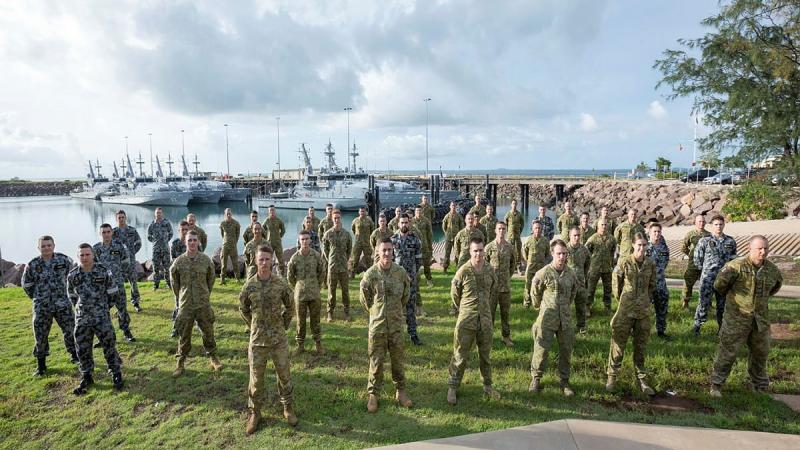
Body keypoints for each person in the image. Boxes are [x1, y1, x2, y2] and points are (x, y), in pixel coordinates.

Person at [709, 236, 782, 398]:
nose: (763, 252)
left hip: (760, 320)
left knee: (760, 353)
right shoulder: (736, 267)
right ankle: (716, 384)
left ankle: (760, 386)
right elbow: (719, 286)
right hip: (736, 319)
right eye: (759, 249)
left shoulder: (772, 270)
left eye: (766, 249)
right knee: (728, 352)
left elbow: (775, 287)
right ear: (750, 249)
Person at [240, 245, 298, 433]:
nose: (264, 262)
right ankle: (255, 413)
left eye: (267, 259)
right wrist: (253, 326)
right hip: (257, 341)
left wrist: (283, 325)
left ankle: (287, 408)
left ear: (272, 260)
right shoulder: (249, 286)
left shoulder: (281, 284)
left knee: (284, 376)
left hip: (278, 340)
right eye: (261, 259)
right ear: (256, 261)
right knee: (256, 380)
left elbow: (290, 307)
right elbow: (243, 308)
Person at [360, 238, 414, 413]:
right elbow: (365, 300)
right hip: (378, 326)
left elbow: (405, 296)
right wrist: (376, 312)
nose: (387, 253)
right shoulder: (370, 274)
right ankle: (373, 394)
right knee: (376, 361)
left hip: (396, 325)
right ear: (378, 252)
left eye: (390, 250)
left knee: (397, 360)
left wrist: (394, 311)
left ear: (393, 251)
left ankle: (401, 391)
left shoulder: (400, 273)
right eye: (384, 250)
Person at [447, 238, 500, 406]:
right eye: (475, 251)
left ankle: (487, 385)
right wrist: (465, 308)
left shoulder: (490, 270)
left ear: (485, 251)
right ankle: (453, 387)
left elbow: (493, 290)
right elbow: (455, 295)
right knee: (460, 355)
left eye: (481, 250)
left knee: (485, 356)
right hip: (466, 319)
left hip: (485, 320)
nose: (478, 254)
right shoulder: (463, 271)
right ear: (470, 252)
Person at [68, 243, 124, 395]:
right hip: (82, 318)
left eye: (87, 254)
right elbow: (72, 296)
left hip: (101, 317)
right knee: (82, 348)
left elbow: (113, 293)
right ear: (78, 256)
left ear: (93, 255)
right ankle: (86, 376)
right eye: (82, 255)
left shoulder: (104, 271)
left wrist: (103, 308)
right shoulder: (73, 275)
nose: (85, 257)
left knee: (108, 345)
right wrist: (82, 309)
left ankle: (116, 373)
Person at [606, 234, 656, 396]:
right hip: (625, 310)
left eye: (644, 245)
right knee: (618, 345)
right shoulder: (624, 262)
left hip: (643, 312)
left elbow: (652, 285)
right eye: (639, 245)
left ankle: (641, 379)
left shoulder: (650, 264)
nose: (641, 248)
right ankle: (612, 377)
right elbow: (616, 283)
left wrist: (644, 299)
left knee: (640, 347)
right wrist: (623, 299)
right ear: (633, 245)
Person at [22, 235, 78, 376]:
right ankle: (41, 366)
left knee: (70, 330)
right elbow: (27, 284)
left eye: (49, 245)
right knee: (40, 335)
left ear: (53, 245)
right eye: (43, 246)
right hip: (42, 306)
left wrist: (70, 295)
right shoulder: (33, 264)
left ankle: (75, 356)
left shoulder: (64, 260)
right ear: (38, 247)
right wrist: (37, 297)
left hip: (62, 304)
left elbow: (74, 277)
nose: (46, 248)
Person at [529, 239, 578, 396]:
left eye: (564, 254)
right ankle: (536, 378)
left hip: (565, 320)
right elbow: (535, 293)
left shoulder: (571, 274)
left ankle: (564, 381)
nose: (562, 257)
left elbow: (573, 293)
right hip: (548, 318)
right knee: (541, 349)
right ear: (552, 254)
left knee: (566, 351)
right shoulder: (543, 273)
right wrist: (540, 307)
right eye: (559, 254)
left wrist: (564, 307)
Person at [170, 231, 222, 377]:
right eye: (189, 240)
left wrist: (204, 293)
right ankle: (180, 362)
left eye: (194, 240)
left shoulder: (206, 261)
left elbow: (211, 280)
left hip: (202, 303)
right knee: (184, 334)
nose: (192, 243)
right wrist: (181, 296)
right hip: (186, 304)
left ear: (198, 242)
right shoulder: (178, 262)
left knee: (208, 331)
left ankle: (213, 356)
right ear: (185, 242)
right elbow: (175, 283)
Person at [693, 215, 737, 335]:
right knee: (703, 303)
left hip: (723, 279)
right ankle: (697, 327)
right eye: (716, 224)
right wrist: (705, 271)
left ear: (724, 225)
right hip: (708, 278)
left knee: (722, 305)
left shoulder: (730, 241)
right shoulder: (705, 241)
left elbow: (733, 259)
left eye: (721, 224)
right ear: (712, 226)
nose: (718, 226)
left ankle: (721, 329)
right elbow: (697, 259)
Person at [94, 224, 136, 341]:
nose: (106, 234)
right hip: (102, 286)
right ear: (100, 233)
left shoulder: (119, 246)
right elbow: (93, 267)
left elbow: (126, 261)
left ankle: (126, 332)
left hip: (117, 284)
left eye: (108, 232)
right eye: (104, 232)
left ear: (112, 232)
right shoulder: (95, 249)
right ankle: (105, 336)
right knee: (102, 311)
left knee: (122, 308)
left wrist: (120, 275)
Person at [287, 230, 327, 355]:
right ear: (299, 241)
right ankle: (300, 345)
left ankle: (318, 344)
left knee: (316, 320)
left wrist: (317, 285)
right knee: (300, 320)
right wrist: (298, 286)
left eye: (307, 239)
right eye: (302, 239)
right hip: (300, 294)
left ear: (310, 240)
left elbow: (322, 272)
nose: (304, 241)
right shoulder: (294, 258)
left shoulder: (316, 256)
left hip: (314, 293)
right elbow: (290, 276)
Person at [391, 215, 424, 346]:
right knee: (396, 307)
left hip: (411, 279)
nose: (404, 224)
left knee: (410, 307)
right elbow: (391, 261)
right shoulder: (393, 239)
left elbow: (419, 260)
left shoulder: (415, 240)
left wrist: (413, 274)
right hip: (396, 279)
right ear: (398, 224)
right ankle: (395, 334)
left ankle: (413, 334)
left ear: (409, 223)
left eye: (406, 222)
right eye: (402, 222)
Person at [484, 221, 515, 347]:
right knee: (490, 313)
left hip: (505, 287)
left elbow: (513, 264)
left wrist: (507, 276)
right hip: (492, 288)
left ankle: (506, 336)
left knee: (505, 313)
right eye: (499, 229)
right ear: (495, 231)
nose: (501, 231)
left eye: (503, 229)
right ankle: (488, 337)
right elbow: (485, 266)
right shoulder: (489, 247)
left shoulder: (510, 247)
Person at [322, 209, 353, 322]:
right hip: (333, 266)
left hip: (343, 267)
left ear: (341, 219)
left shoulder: (346, 234)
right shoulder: (328, 234)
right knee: (331, 290)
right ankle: (330, 312)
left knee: (345, 290)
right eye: (334, 218)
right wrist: (330, 259)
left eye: (338, 218)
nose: (336, 220)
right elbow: (325, 249)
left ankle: (347, 312)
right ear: (332, 219)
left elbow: (350, 248)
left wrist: (346, 259)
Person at [585, 218, 617, 315]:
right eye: (602, 224)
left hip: (607, 268)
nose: (604, 226)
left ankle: (607, 308)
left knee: (608, 289)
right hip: (595, 268)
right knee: (590, 289)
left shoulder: (611, 239)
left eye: (605, 224)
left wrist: (612, 262)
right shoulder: (593, 238)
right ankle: (587, 307)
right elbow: (586, 252)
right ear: (598, 226)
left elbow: (613, 251)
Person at [112, 210, 142, 309]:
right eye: (119, 217)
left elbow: (138, 243)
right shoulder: (113, 232)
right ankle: (120, 305)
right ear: (116, 219)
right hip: (118, 263)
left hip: (131, 262)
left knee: (133, 282)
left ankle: (136, 302)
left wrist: (132, 253)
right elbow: (110, 246)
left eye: (122, 217)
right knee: (119, 284)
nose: (121, 219)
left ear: (126, 218)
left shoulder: (132, 231)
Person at [646, 222, 671, 339]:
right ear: (649, 233)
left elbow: (665, 263)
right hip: (646, 284)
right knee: (644, 310)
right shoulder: (644, 247)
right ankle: (643, 332)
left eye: (659, 232)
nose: (657, 234)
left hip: (660, 283)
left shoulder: (664, 248)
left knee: (662, 308)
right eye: (654, 232)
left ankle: (661, 331)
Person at [681, 215, 710, 309]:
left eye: (703, 221)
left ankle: (706, 304)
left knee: (706, 284)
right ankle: (685, 303)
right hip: (693, 264)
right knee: (688, 284)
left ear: (705, 223)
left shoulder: (709, 235)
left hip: (705, 264)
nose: (701, 223)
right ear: (695, 222)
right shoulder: (690, 234)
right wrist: (691, 255)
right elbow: (683, 247)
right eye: (699, 221)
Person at [566, 227, 590, 334]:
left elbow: (588, 264)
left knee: (581, 305)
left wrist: (583, 275)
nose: (577, 237)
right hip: (567, 283)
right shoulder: (565, 249)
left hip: (580, 282)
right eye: (574, 235)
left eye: (578, 235)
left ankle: (581, 326)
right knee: (565, 306)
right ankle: (565, 327)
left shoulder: (584, 250)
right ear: (570, 236)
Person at [522, 220, 550, 308]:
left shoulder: (545, 241)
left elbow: (547, 253)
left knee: (540, 285)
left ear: (542, 229)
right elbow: (524, 252)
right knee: (528, 286)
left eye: (539, 228)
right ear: (533, 229)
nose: (537, 230)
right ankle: (527, 303)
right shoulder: (528, 240)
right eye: (536, 228)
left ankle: (539, 303)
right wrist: (528, 260)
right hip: (531, 267)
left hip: (541, 268)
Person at [169, 221, 189, 338]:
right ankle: (176, 329)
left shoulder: (193, 242)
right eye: (182, 230)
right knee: (178, 304)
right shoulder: (175, 244)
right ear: (179, 231)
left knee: (195, 304)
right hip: (179, 280)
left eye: (186, 229)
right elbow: (174, 263)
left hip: (192, 280)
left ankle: (197, 325)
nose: (185, 232)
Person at [148, 208, 174, 290]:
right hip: (156, 250)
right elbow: (149, 236)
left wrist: (165, 241)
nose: (158, 214)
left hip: (165, 249)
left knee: (167, 268)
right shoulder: (152, 224)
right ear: (155, 214)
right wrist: (155, 242)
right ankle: (156, 285)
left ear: (162, 214)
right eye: (157, 213)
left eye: (160, 213)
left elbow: (171, 233)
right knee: (155, 268)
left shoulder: (167, 223)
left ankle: (169, 284)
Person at [412, 206, 434, 288]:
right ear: (415, 212)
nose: (418, 212)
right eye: (417, 210)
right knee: (414, 264)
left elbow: (430, 234)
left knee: (426, 264)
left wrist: (430, 245)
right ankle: (415, 281)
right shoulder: (412, 221)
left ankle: (429, 279)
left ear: (422, 212)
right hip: (415, 246)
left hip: (424, 246)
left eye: (420, 211)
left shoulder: (426, 220)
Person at [350, 206, 375, 277]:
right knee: (355, 259)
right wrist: (358, 237)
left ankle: (370, 274)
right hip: (358, 243)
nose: (362, 213)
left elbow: (372, 230)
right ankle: (352, 274)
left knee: (368, 260)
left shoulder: (369, 220)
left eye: (363, 211)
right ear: (359, 212)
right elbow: (353, 230)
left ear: (366, 212)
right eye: (361, 211)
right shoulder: (355, 220)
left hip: (366, 243)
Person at [219, 208, 242, 284]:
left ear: (231, 214)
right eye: (227, 214)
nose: (228, 215)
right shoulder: (222, 223)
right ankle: (222, 279)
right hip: (225, 246)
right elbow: (222, 234)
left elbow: (238, 234)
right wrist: (226, 241)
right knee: (223, 263)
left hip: (233, 246)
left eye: (230, 214)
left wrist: (234, 242)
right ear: (225, 215)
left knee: (235, 263)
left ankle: (237, 278)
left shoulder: (236, 223)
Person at [441, 201, 465, 273]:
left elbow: (462, 226)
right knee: (447, 254)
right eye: (452, 205)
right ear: (450, 206)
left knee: (457, 253)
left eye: (454, 206)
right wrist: (447, 233)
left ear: (456, 207)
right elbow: (444, 226)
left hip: (456, 238)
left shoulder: (459, 216)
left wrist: (459, 235)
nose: (453, 207)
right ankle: (445, 268)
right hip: (448, 238)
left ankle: (458, 268)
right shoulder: (447, 216)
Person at [264, 206, 287, 276]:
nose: (272, 212)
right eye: (270, 210)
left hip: (278, 243)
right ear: (268, 212)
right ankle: (269, 275)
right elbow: (262, 230)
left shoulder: (279, 220)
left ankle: (282, 275)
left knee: (281, 260)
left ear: (275, 211)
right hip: (269, 243)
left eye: (273, 210)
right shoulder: (267, 221)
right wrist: (265, 238)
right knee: (268, 260)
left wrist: (279, 236)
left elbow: (283, 230)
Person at [504, 199, 525, 272]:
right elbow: (505, 224)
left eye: (515, 204)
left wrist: (520, 231)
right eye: (513, 203)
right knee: (510, 250)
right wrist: (507, 232)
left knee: (518, 250)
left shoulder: (519, 214)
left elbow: (522, 224)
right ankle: (511, 265)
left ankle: (518, 265)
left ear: (517, 205)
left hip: (517, 236)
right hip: (510, 236)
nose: (514, 205)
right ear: (511, 205)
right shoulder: (508, 214)